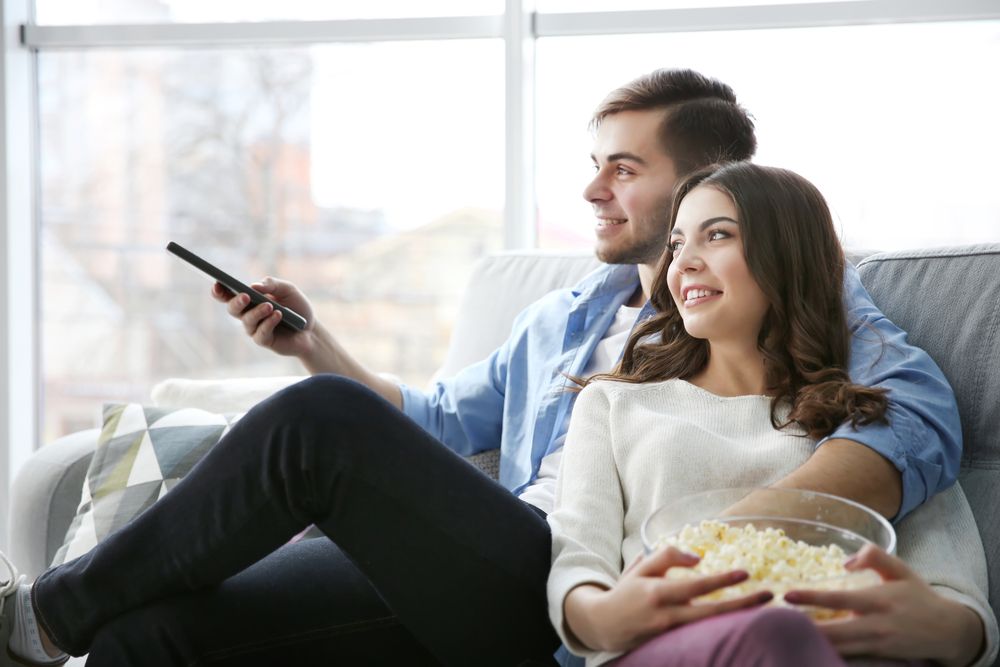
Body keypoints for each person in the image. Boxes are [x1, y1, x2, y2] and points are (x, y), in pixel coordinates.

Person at [0, 69, 960, 666]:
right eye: (593, 163)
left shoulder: (807, 298)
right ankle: (67, 625)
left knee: (322, 422)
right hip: (469, 564)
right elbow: (428, 424)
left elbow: (912, 418)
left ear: (707, 178)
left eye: (623, 167)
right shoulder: (568, 313)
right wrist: (309, 344)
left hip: (566, 576)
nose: (592, 188)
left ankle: (41, 616)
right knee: (150, 635)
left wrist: (705, 551)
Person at [547, 161, 998, 667]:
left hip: (835, 651)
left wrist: (942, 630)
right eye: (676, 245)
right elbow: (579, 563)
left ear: (787, 256)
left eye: (717, 235)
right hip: (667, 649)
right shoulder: (614, 404)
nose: (685, 262)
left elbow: (958, 604)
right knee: (775, 633)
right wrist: (602, 618)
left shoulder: (869, 422)